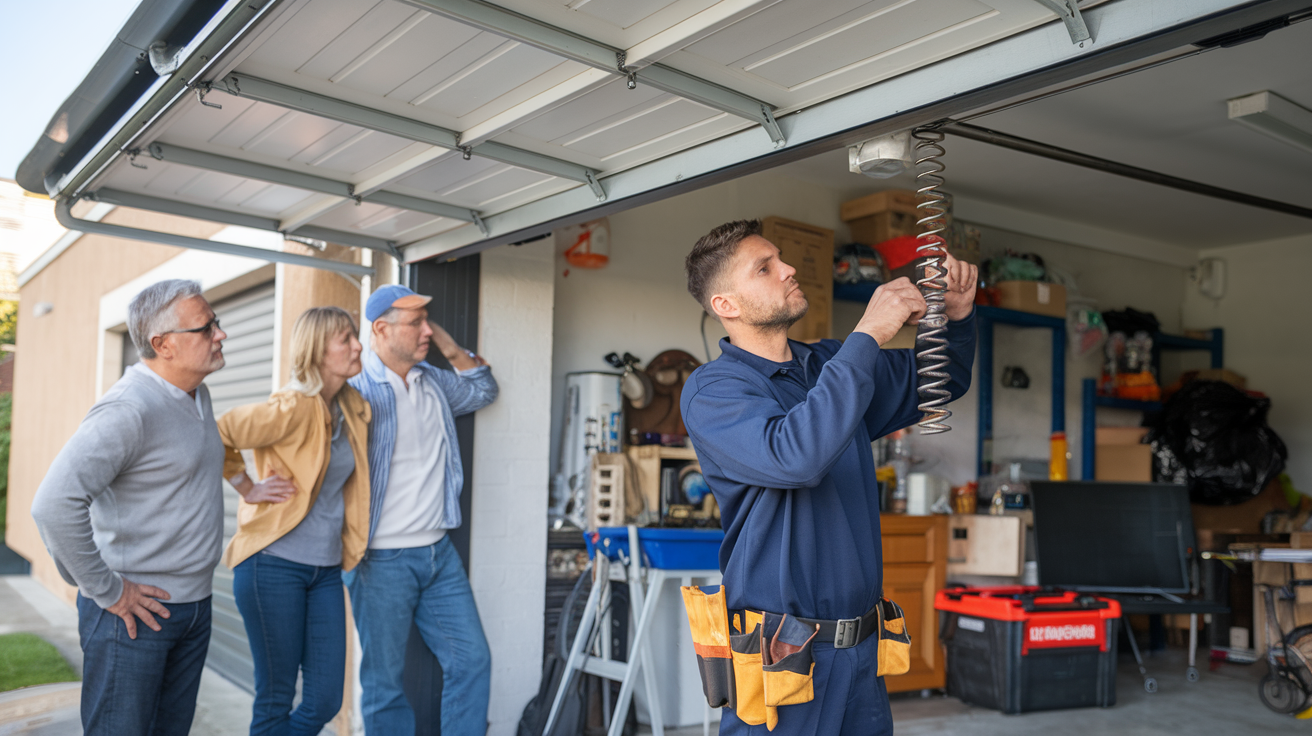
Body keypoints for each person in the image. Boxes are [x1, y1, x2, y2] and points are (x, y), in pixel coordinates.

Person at [679, 220, 977, 735]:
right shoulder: (714, 392)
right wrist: (868, 335)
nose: (789, 269)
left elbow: (941, 378)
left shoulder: (829, 366)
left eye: (781, 258)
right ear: (727, 305)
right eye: (765, 267)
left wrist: (957, 315)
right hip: (783, 659)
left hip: (862, 654)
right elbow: (796, 456)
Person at [31, 279, 229, 735]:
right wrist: (108, 590)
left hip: (195, 606)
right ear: (164, 345)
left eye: (215, 322)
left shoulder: (196, 392)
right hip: (134, 616)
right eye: (206, 328)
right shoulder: (128, 409)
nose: (220, 334)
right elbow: (54, 505)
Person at [345, 284, 499, 735]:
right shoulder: (357, 392)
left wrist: (447, 345)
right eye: (415, 324)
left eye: (427, 321)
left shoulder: (432, 380)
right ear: (381, 329)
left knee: (472, 661)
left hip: (437, 553)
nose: (426, 331)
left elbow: (483, 388)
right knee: (384, 685)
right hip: (380, 559)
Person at [216, 306, 371, 736]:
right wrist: (247, 486)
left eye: (355, 336)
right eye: (346, 339)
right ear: (318, 352)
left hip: (323, 569)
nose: (358, 345)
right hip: (272, 565)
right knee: (276, 698)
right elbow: (218, 431)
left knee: (324, 699)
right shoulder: (293, 407)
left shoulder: (352, 408)